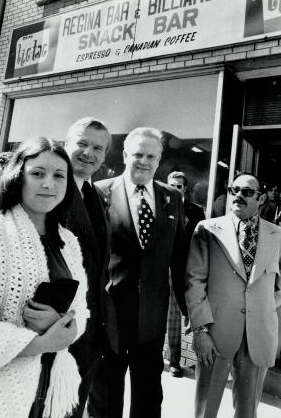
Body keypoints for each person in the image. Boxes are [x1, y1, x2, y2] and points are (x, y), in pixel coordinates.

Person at [0, 137, 89, 418]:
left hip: (51, 384)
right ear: (18, 177)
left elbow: (81, 310)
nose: (49, 184)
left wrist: (65, 326)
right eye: (38, 173)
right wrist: (40, 343)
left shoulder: (68, 241)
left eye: (58, 175)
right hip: (0, 387)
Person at [89, 127, 187, 418]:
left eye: (151, 156)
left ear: (159, 161)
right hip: (109, 318)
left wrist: (188, 308)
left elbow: (180, 256)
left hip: (152, 318)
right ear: (124, 155)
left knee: (148, 397)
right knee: (105, 398)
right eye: (138, 154)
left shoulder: (172, 198)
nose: (144, 161)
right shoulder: (99, 192)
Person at [185, 172, 281, 418]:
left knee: (248, 411)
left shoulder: (277, 235)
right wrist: (200, 330)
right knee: (206, 408)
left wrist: (264, 309)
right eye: (233, 190)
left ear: (261, 199)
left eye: (247, 192)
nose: (238, 195)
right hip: (216, 332)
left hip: (257, 335)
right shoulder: (207, 229)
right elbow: (194, 282)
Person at [62, 117, 118, 418]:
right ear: (65, 145)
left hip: (92, 327)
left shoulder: (97, 196)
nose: (89, 153)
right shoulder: (48, 188)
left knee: (75, 405)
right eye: (81, 143)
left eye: (98, 147)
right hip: (56, 327)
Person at [166, 171, 205, 377]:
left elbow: (201, 243)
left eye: (179, 186)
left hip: (184, 271)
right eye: (172, 185)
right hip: (161, 270)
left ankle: (174, 361)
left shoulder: (195, 211)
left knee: (176, 318)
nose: (175, 189)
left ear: (185, 189)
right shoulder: (159, 206)